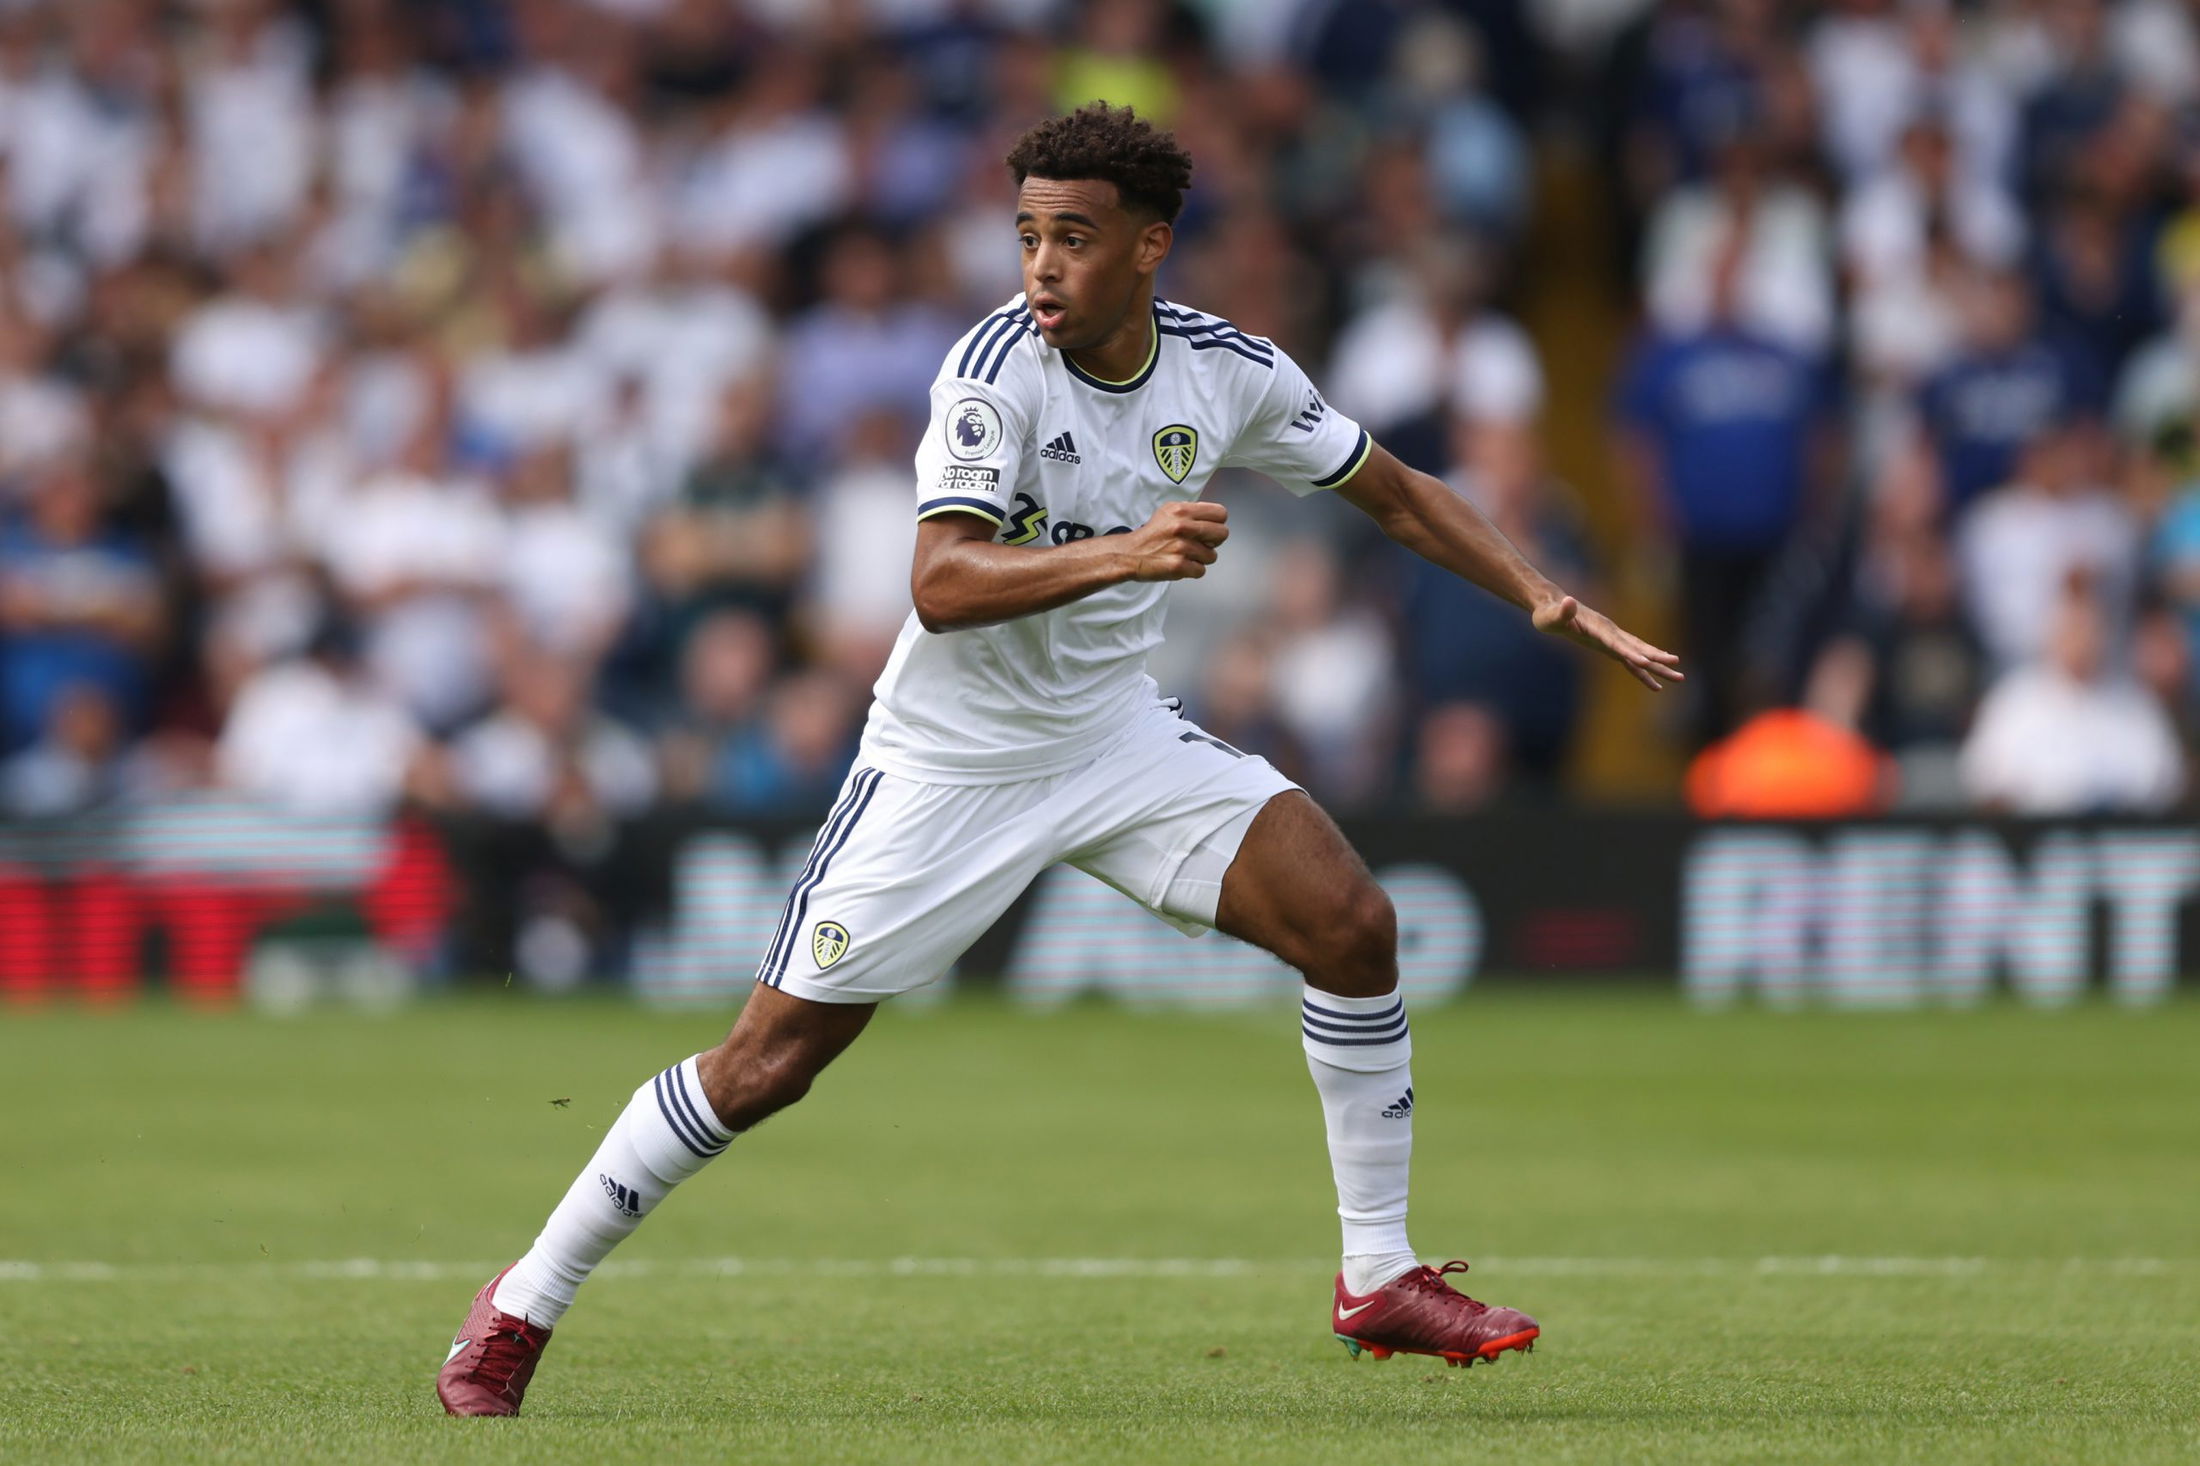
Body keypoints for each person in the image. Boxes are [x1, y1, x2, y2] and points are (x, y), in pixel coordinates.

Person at [435, 104, 1682, 1416]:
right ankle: (522, 1301)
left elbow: (1399, 491)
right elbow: (943, 581)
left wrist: (1541, 593)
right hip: (949, 762)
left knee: (1353, 923)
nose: (1040, 264)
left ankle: (1377, 1273)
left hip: (1111, 734)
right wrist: (1129, 551)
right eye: (1028, 234)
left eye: (1072, 239)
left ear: (1149, 248)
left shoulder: (1227, 370)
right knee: (766, 1064)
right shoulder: (991, 372)